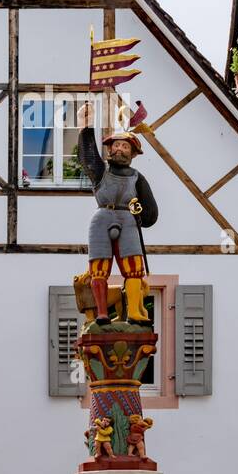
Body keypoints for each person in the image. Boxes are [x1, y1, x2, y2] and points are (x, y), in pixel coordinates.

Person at [75, 100, 158, 324]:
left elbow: (150, 210)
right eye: (117, 146)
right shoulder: (102, 172)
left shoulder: (137, 178)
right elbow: (88, 158)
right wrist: (86, 126)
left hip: (128, 220)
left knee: (134, 270)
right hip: (103, 218)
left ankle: (133, 312)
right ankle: (102, 312)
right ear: (110, 149)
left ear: (132, 153)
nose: (120, 149)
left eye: (125, 147)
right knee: (99, 268)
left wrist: (143, 216)